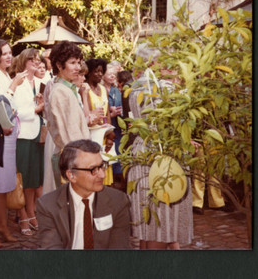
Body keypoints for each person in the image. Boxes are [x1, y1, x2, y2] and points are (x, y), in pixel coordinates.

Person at [122, 63, 193, 250]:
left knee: (149, 226)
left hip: (141, 153)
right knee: (161, 227)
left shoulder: (133, 87)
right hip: (162, 157)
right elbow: (178, 127)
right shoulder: (165, 89)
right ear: (156, 63)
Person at [36, 139, 131, 249]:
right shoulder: (48, 205)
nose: (102, 175)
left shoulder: (118, 201)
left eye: (101, 166)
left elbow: (118, 249)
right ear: (71, 175)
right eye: (93, 169)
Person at [0, 39, 27, 246]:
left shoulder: (6, 75)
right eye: (4, 53)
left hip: (9, 137)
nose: (8, 56)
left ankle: (2, 224)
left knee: (5, 184)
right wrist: (13, 85)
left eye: (10, 53)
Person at [10, 48, 44, 235]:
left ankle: (31, 212)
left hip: (37, 134)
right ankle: (22, 215)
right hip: (22, 135)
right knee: (21, 179)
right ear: (24, 61)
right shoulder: (17, 81)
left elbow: (41, 107)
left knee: (33, 179)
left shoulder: (39, 82)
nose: (36, 62)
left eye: (38, 59)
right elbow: (14, 112)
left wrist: (40, 106)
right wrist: (35, 110)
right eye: (32, 59)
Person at [47, 41, 90, 188]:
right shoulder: (60, 92)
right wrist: (82, 160)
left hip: (74, 158)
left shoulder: (68, 89)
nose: (78, 67)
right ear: (59, 65)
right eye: (72, 63)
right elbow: (67, 133)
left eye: (78, 62)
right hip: (71, 160)